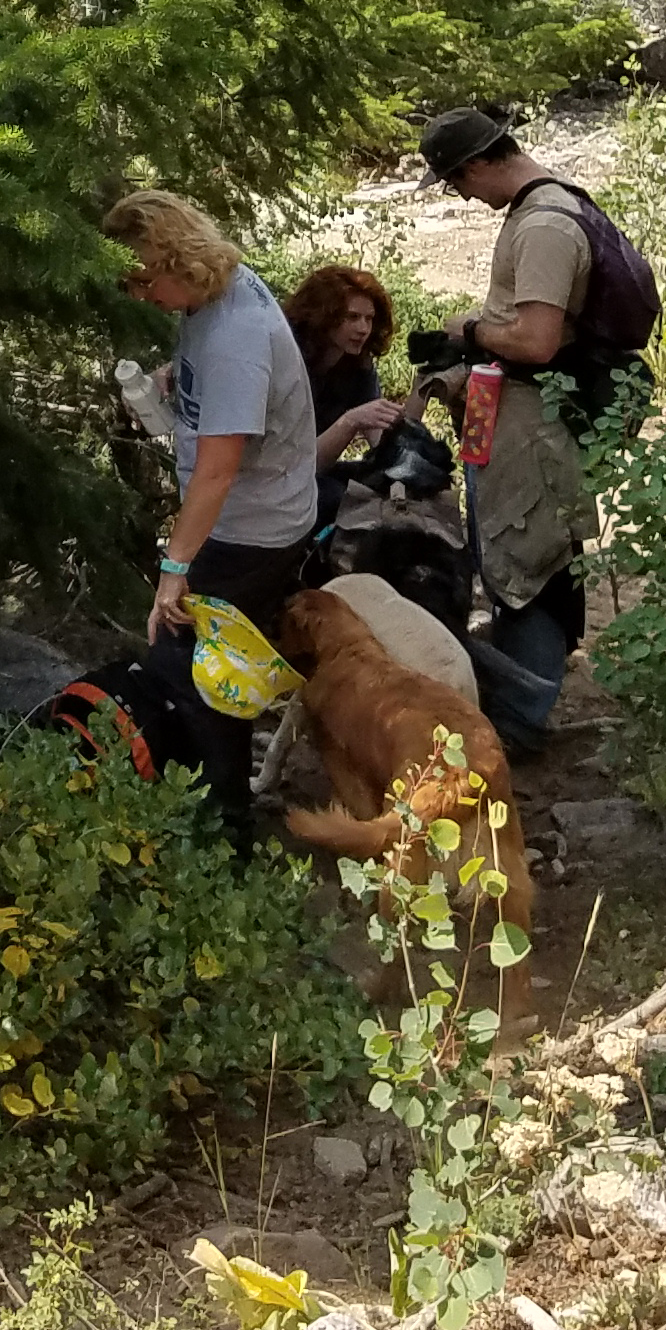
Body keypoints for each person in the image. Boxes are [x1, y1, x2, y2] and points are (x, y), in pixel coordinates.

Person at [97, 187, 318, 836]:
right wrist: (178, 378)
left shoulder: (233, 337)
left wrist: (175, 569)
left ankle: (222, 828)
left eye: (144, 282)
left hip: (251, 530)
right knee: (202, 667)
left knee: (200, 676)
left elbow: (219, 472)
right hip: (254, 514)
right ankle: (215, 808)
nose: (141, 297)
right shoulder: (222, 292)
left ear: (177, 260)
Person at [412, 106, 607, 759]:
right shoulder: (533, 215)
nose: (462, 197)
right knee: (506, 560)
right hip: (511, 418)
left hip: (534, 430)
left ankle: (522, 723)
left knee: (529, 562)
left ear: (476, 165)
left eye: (457, 183)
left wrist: (470, 332)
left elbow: (537, 338)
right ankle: (516, 710)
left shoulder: (546, 225)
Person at [285, 261, 409, 496]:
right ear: (323, 316)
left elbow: (379, 438)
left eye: (369, 319)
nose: (363, 329)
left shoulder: (358, 365)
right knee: (337, 497)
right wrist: (350, 421)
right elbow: (300, 468)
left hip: (316, 471)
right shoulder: (289, 363)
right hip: (281, 481)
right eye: (352, 317)